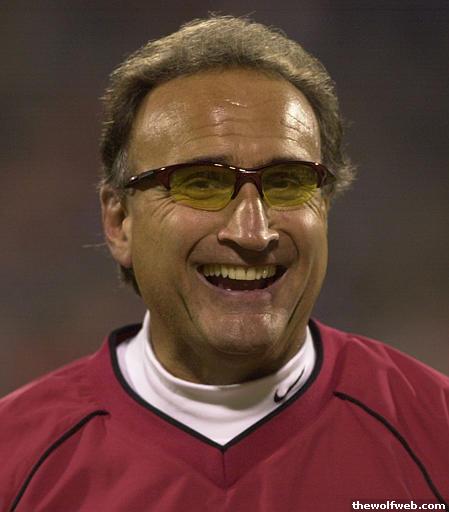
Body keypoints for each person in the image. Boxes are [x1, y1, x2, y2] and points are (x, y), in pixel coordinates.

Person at [1, 15, 448, 512]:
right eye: (200, 183)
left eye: (288, 182)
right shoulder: (15, 462)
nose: (252, 233)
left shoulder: (435, 432)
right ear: (119, 222)